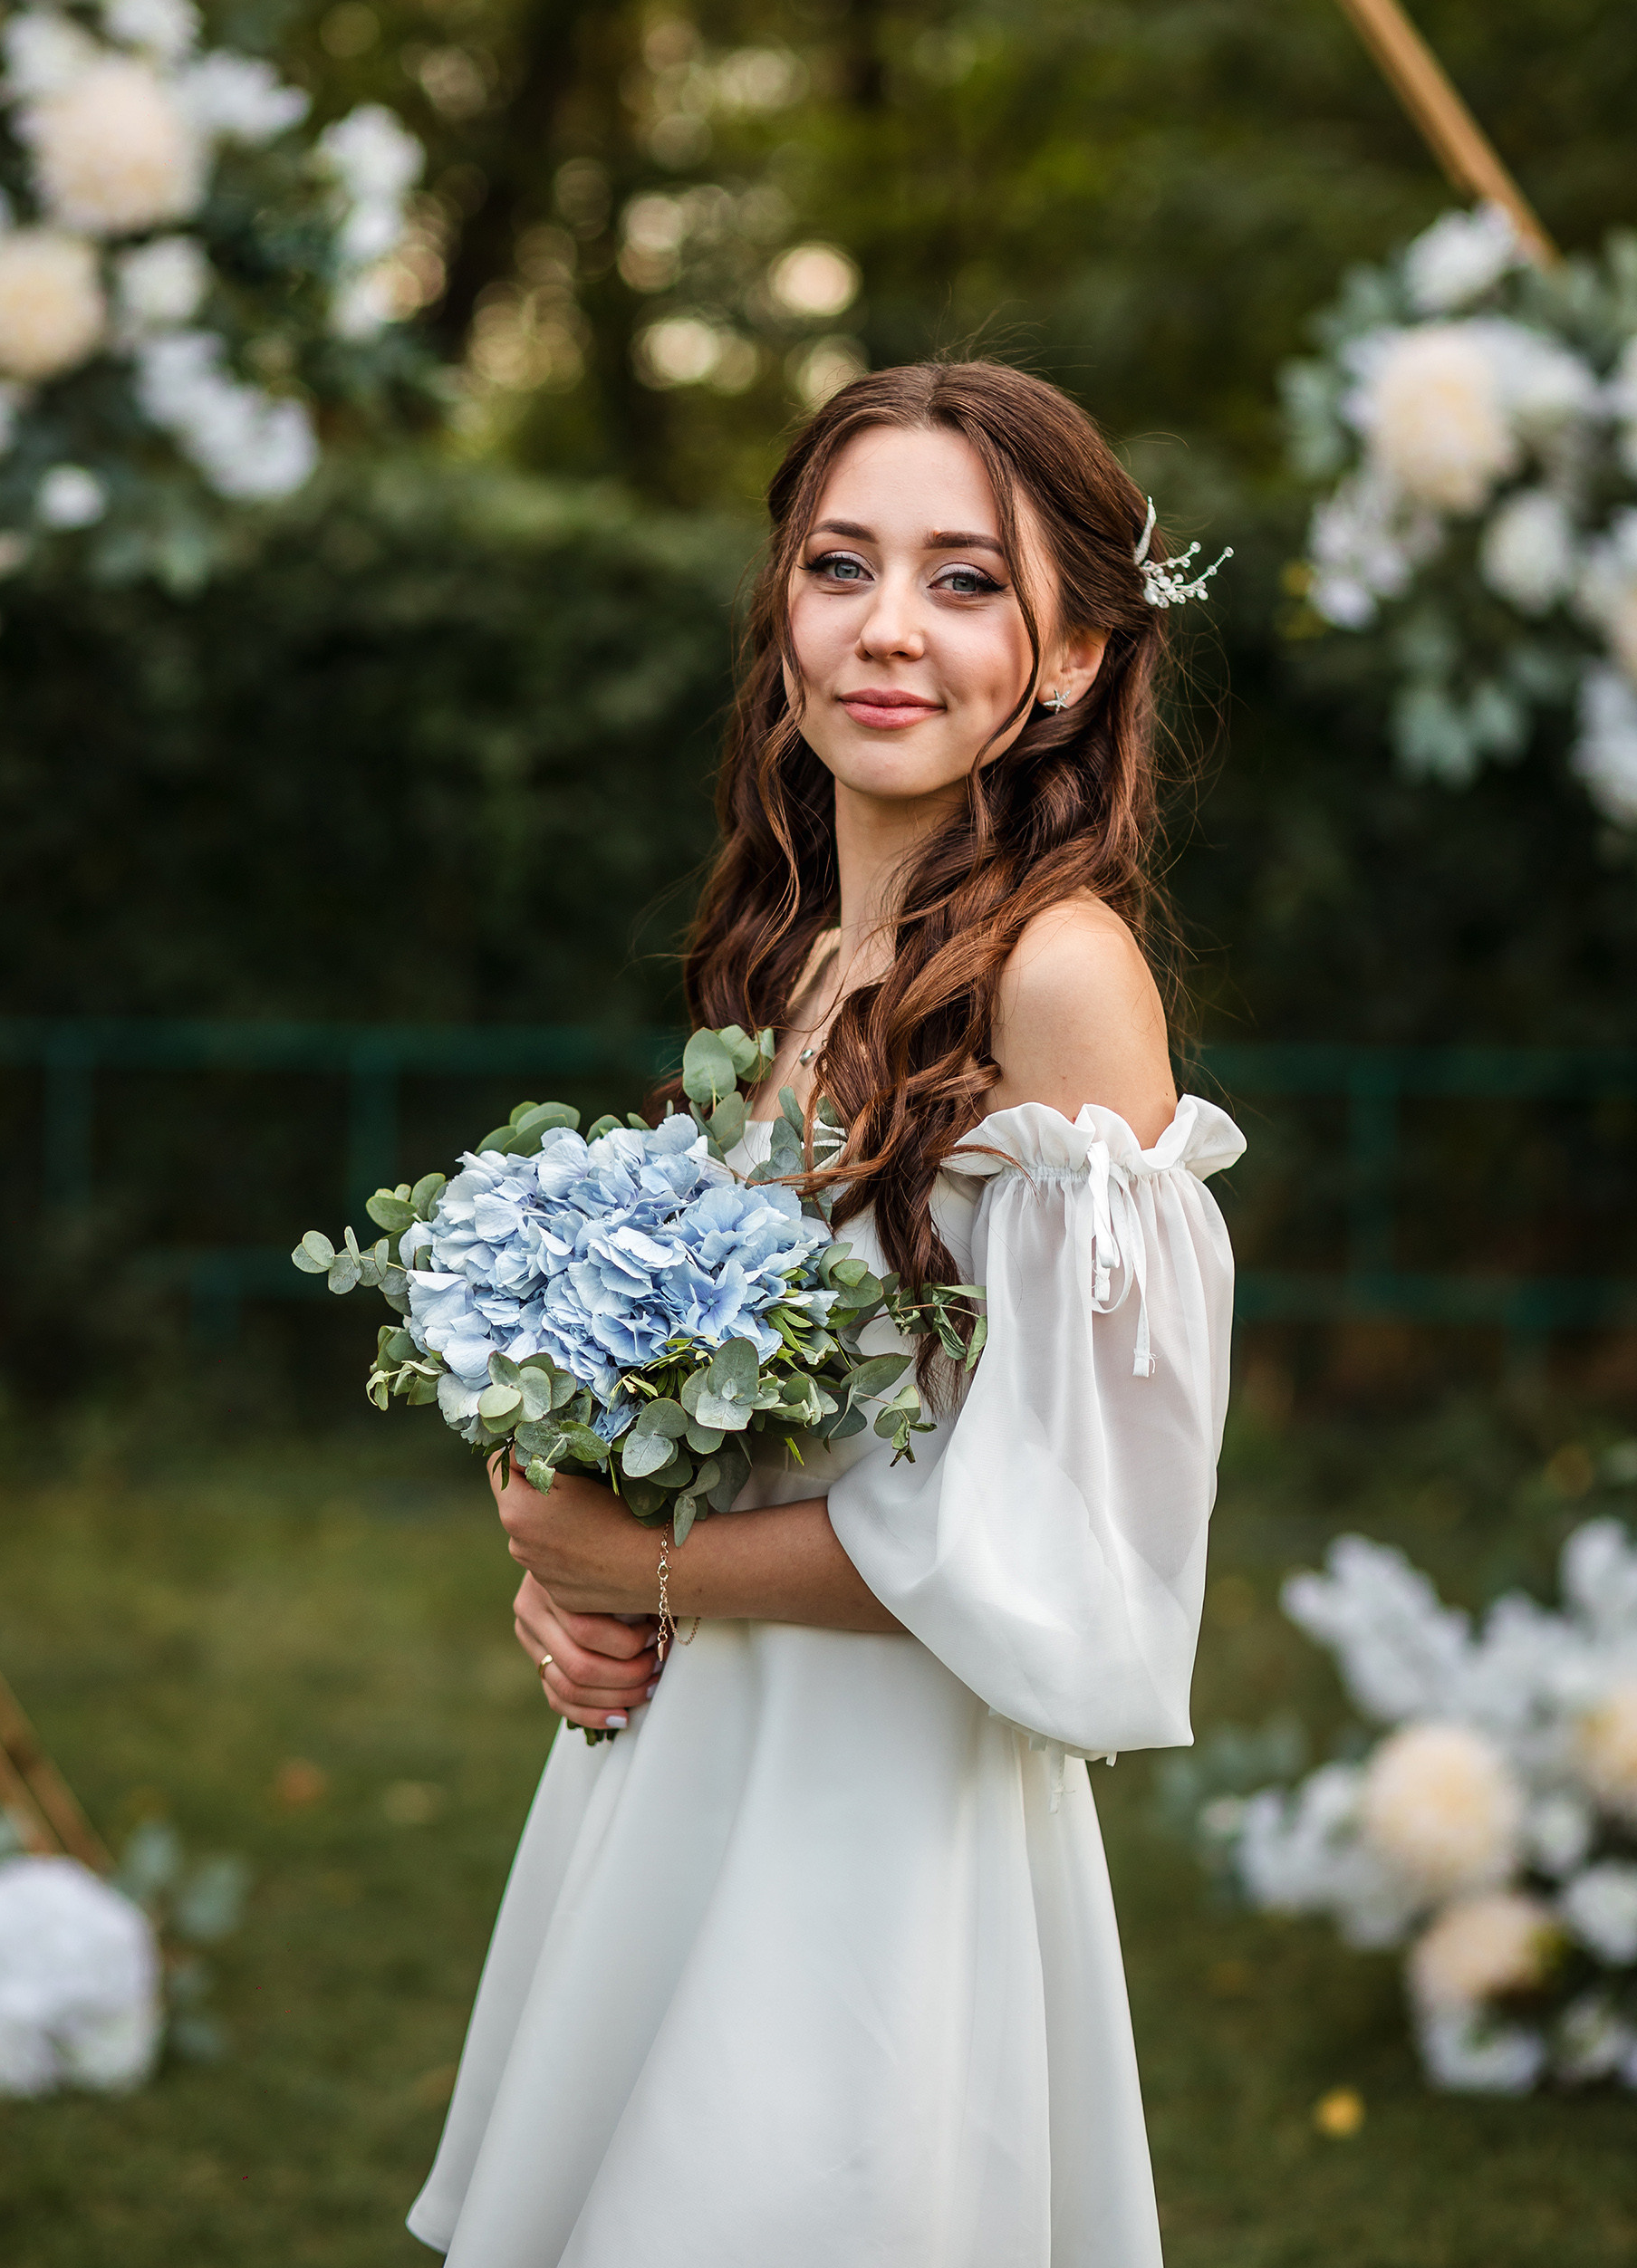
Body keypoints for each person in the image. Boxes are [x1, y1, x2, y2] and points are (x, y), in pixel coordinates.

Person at [408, 360, 1245, 2267]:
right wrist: (579, 1568)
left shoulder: (1059, 978)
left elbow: (1069, 1528)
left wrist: (651, 1566)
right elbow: (731, 1408)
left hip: (877, 1816)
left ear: (1073, 658)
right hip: (694, 1756)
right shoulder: (795, 955)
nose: (886, 628)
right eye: (840, 563)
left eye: (965, 581)